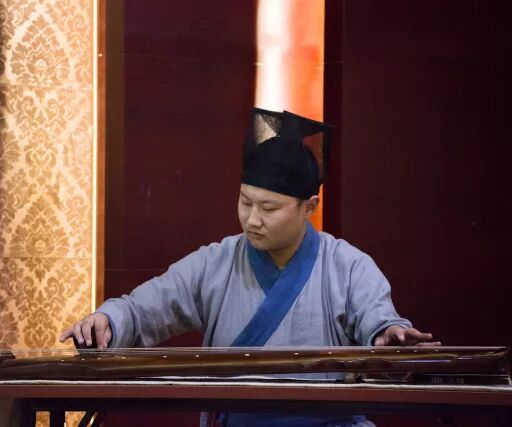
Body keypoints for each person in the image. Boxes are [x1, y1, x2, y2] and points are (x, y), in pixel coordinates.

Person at [59, 108, 440, 426]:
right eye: (245, 202)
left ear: (309, 206)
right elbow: (142, 310)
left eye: (269, 208)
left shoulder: (349, 266)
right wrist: (108, 320)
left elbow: (380, 324)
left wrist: (389, 337)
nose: (252, 219)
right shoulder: (215, 262)